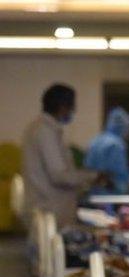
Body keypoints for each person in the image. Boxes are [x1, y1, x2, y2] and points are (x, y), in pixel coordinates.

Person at [21, 83, 103, 228]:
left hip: (49, 209)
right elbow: (59, 176)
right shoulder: (45, 132)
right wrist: (92, 176)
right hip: (50, 210)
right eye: (72, 107)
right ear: (62, 107)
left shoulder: (40, 128)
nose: (73, 111)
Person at [84, 107, 129, 195]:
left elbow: (88, 169)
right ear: (124, 127)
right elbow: (121, 174)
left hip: (95, 194)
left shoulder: (95, 141)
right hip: (111, 195)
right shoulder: (116, 145)